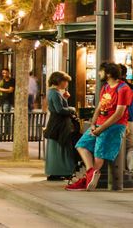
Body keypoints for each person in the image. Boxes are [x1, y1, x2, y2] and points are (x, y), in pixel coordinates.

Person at [66, 62, 132, 191]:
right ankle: (91, 173)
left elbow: (119, 113)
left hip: (114, 125)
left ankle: (88, 178)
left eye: (100, 71)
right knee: (81, 145)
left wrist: (100, 129)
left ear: (108, 73)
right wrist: (93, 123)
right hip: (100, 124)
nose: (98, 74)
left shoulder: (124, 89)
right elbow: (100, 106)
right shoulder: (106, 87)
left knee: (99, 153)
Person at [44, 71, 78, 181]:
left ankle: (57, 171)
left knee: (57, 147)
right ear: (60, 81)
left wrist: (65, 99)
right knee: (61, 146)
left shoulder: (53, 92)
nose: (66, 84)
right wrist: (72, 109)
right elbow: (59, 110)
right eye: (65, 81)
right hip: (59, 124)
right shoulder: (55, 93)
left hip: (56, 122)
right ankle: (61, 170)